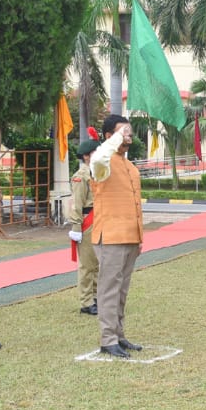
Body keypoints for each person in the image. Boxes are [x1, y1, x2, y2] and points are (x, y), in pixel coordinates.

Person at [90, 115, 144, 358]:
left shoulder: (129, 164)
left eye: (129, 132)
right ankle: (108, 338)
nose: (129, 135)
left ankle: (119, 335)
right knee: (109, 289)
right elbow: (99, 157)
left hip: (131, 236)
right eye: (123, 131)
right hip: (110, 236)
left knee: (122, 290)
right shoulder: (103, 163)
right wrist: (115, 139)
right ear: (108, 137)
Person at [67, 128, 101, 316]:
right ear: (87, 156)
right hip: (87, 221)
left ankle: (95, 297)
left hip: (99, 219)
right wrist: (76, 226)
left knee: (97, 264)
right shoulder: (82, 176)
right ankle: (86, 301)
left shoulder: (98, 173)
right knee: (87, 265)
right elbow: (76, 204)